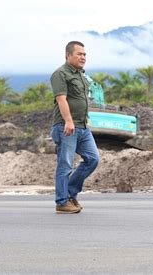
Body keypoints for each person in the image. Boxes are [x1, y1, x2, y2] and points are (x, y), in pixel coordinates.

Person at [50, 41, 100, 214]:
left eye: (84, 54)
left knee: (93, 159)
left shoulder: (81, 75)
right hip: (66, 127)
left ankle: (70, 193)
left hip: (83, 127)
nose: (83, 57)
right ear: (68, 55)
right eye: (79, 54)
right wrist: (68, 121)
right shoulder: (60, 74)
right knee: (65, 164)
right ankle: (62, 202)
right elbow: (61, 99)